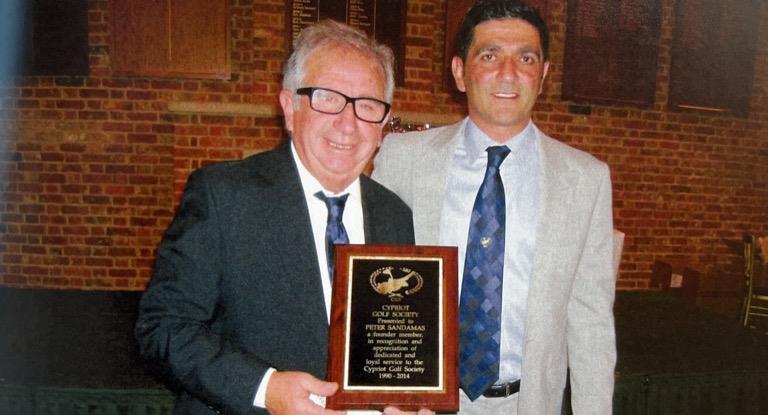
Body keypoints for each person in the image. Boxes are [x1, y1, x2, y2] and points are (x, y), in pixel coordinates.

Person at [136, 20, 430, 415]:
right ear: (290, 108)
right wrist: (265, 388)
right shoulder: (223, 196)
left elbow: (394, 347)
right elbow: (162, 329)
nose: (348, 122)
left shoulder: (396, 216)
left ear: (382, 128)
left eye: (368, 105)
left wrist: (406, 402)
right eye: (327, 98)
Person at [372, 1, 616, 414]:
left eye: (525, 58)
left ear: (543, 75)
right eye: (489, 55)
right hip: (422, 403)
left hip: (528, 403)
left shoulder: (585, 180)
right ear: (459, 73)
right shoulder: (401, 160)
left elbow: (591, 322)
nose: (508, 72)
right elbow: (368, 287)